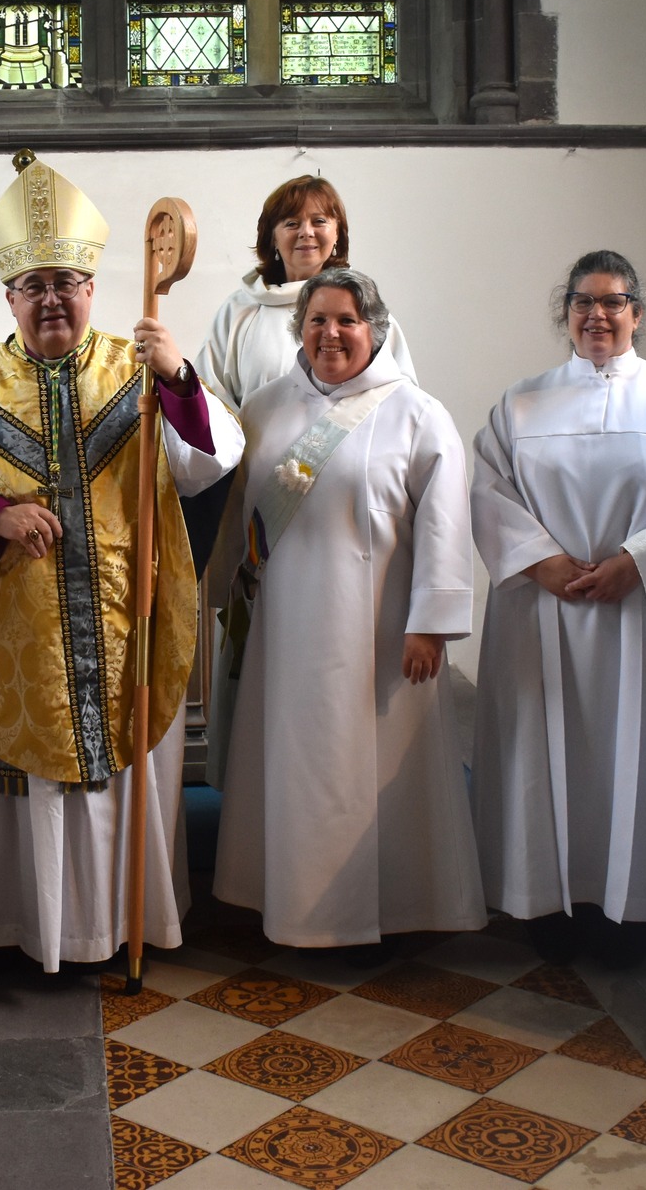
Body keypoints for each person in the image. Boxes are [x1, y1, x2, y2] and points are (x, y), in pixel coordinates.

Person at [0, 155, 242, 971]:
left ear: (92, 287)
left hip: (127, 625)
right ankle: (13, 927)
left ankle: (118, 925)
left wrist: (180, 379)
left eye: (66, 282)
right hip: (12, 633)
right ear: (10, 297)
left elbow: (212, 460)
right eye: (34, 285)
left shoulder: (139, 373)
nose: (52, 298)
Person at [209, 268, 482, 951]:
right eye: (317, 320)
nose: (330, 334)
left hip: (380, 632)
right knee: (291, 766)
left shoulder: (417, 412)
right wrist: (222, 596)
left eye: (347, 320)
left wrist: (431, 623)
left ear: (375, 330)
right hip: (281, 631)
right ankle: (286, 903)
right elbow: (234, 516)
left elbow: (447, 524)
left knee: (373, 768)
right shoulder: (262, 408)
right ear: (298, 328)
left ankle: (388, 909)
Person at [469, 252, 646, 968]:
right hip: (540, 611)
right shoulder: (520, 404)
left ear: (637, 313)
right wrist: (540, 559)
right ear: (566, 312)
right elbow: (486, 492)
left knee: (637, 754)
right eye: (583, 301)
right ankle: (544, 904)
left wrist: (638, 560)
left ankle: (631, 911)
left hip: (642, 612)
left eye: (614, 302)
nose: (597, 315)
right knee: (540, 750)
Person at [194, 175, 416, 412]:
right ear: (273, 238)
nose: (306, 232)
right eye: (291, 223)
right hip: (254, 437)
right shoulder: (239, 310)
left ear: (337, 233)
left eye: (319, 221)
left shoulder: (363, 306)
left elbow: (400, 399)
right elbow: (208, 397)